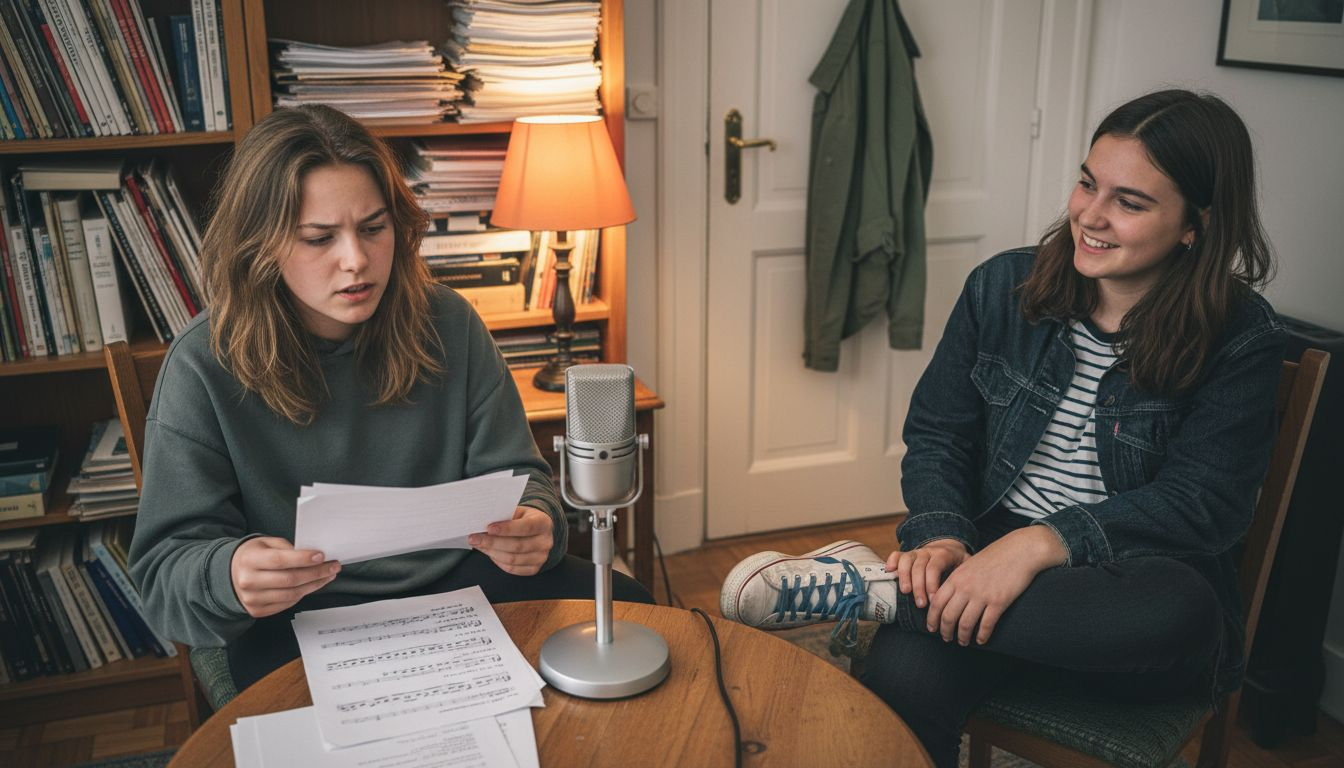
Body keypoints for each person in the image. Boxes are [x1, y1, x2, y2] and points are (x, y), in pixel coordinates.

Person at [718, 89, 1286, 766]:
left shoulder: (1240, 336)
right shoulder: (1004, 288)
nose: (1090, 216)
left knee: (1183, 609)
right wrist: (941, 531)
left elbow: (1205, 504)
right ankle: (909, 600)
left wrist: (1044, 543)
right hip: (984, 564)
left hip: (1123, 595)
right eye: (1086, 183)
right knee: (897, 687)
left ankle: (888, 598)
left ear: (1197, 224)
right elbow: (938, 432)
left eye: (1129, 202)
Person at [129, 104, 652, 692]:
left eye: (373, 229)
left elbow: (520, 476)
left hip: (467, 587)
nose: (355, 260)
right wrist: (227, 575)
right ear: (263, 245)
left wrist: (537, 521)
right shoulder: (202, 364)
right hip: (302, 619)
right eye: (319, 238)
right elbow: (162, 580)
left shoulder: (449, 321)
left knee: (639, 614)